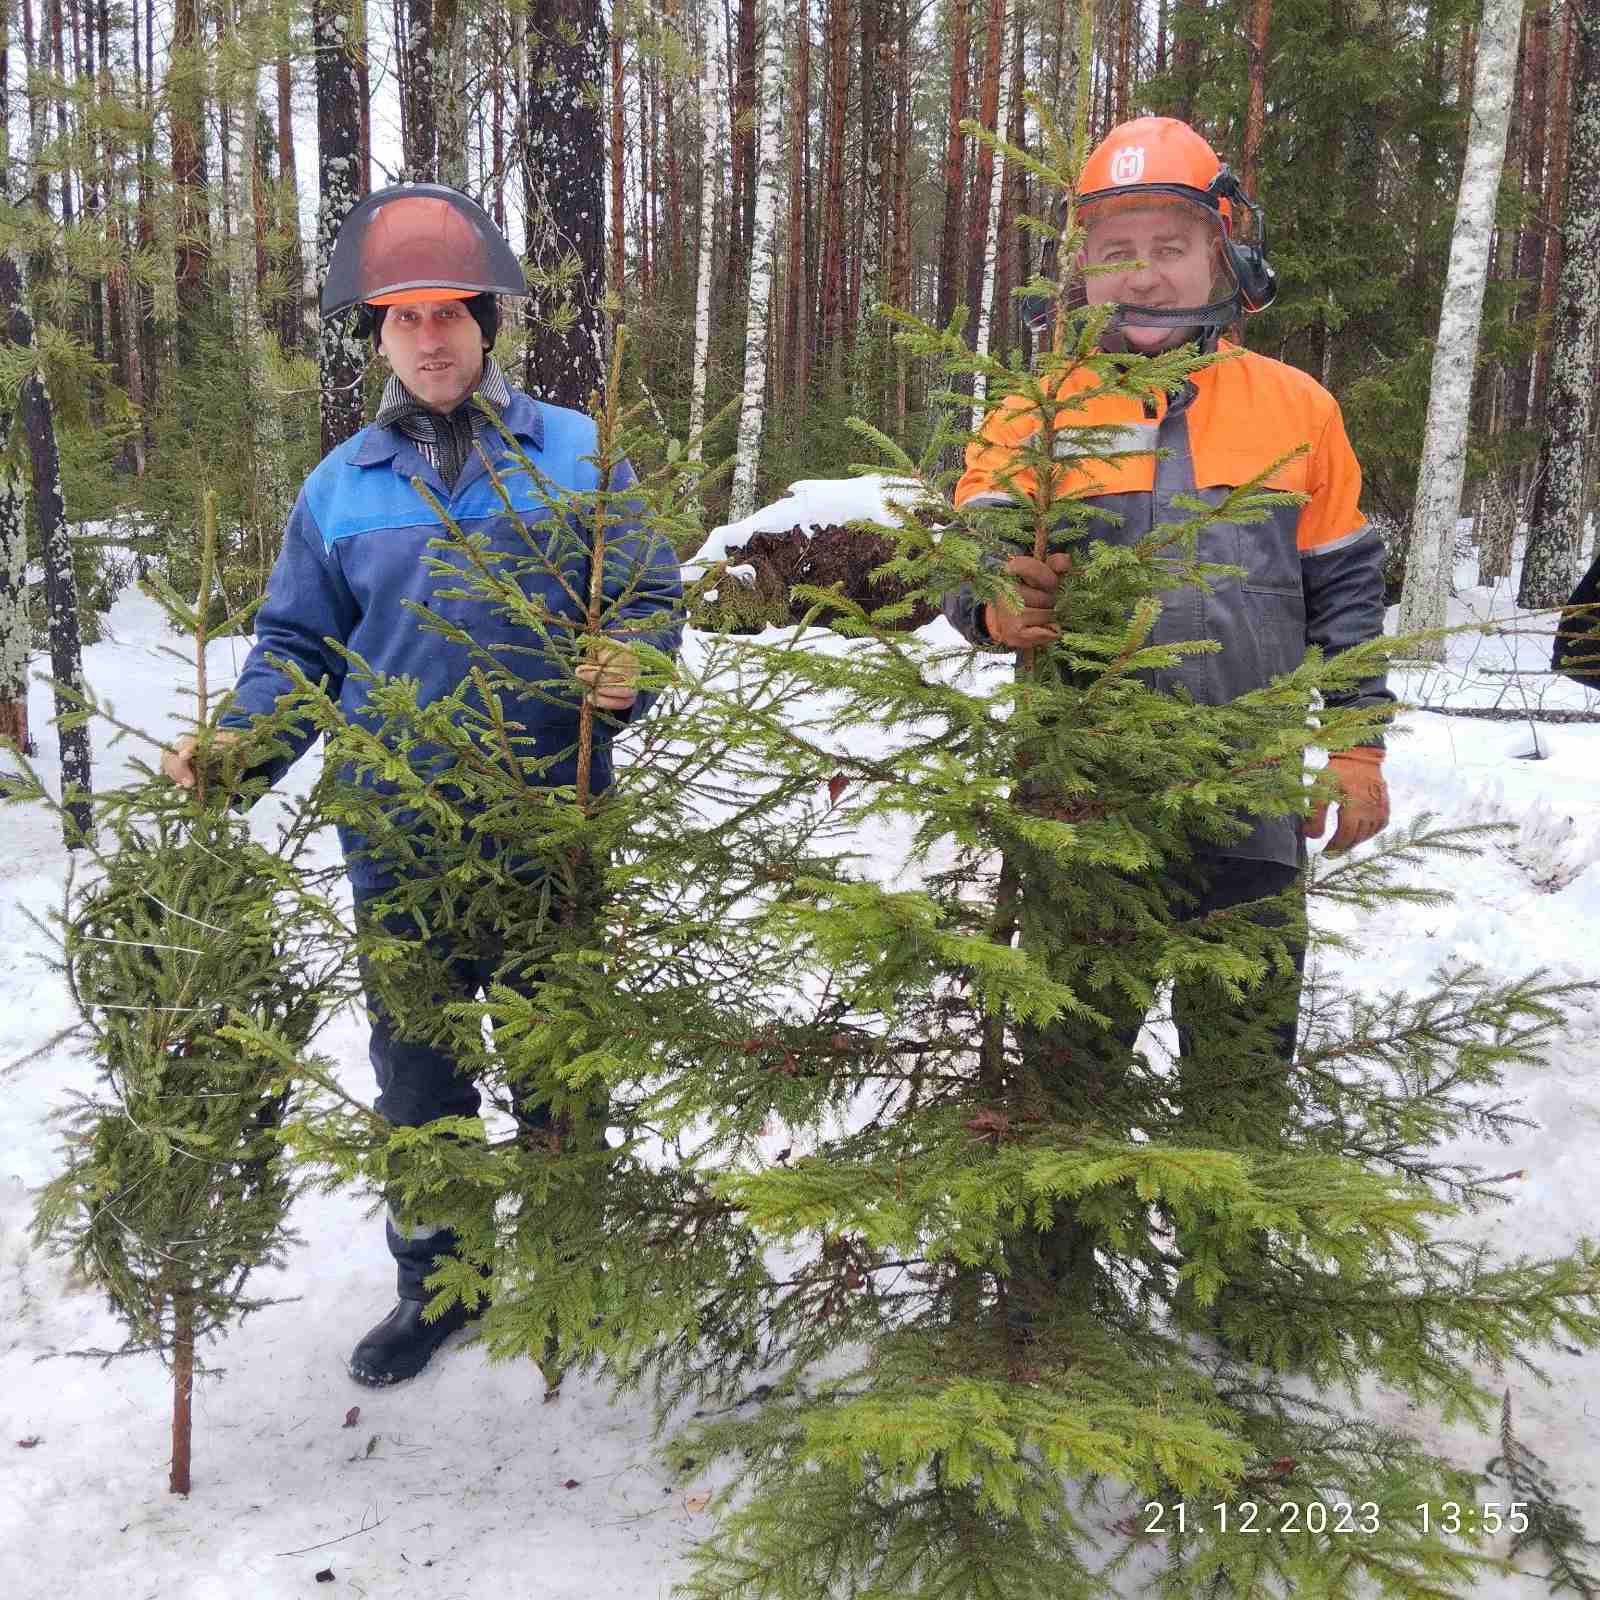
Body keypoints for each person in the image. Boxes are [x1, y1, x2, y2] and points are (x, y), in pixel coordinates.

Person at [161, 185, 683, 1385]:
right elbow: (297, 651)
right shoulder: (338, 486)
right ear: (376, 339)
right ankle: (439, 1284)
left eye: (450, 311)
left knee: (559, 1056)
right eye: (403, 319)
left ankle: (568, 1263)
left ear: (487, 321)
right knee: (418, 1069)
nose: (431, 337)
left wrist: (635, 660)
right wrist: (237, 751)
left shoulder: (577, 451)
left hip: (554, 816)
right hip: (394, 835)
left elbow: (652, 597)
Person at [942, 117, 1395, 1297]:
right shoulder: (1035, 411)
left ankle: (1227, 1282)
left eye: (1170, 244)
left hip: (1251, 805)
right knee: (1070, 1061)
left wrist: (1355, 747)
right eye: (1116, 247)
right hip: (1078, 812)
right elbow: (967, 561)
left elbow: (1345, 593)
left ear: (1221, 257)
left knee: (1240, 1070)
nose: (1141, 272)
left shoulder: (1297, 408)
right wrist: (997, 605)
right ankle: (1050, 1285)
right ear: (1080, 267)